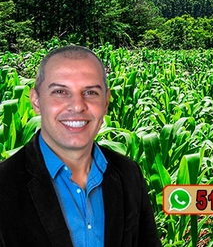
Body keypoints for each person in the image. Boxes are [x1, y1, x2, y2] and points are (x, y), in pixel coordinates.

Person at [0, 45, 161, 247]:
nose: (77, 106)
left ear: (106, 102)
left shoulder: (129, 174)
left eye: (91, 92)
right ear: (36, 101)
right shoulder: (4, 185)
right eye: (60, 91)